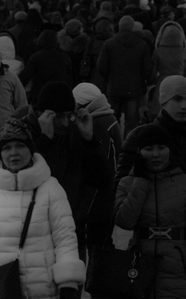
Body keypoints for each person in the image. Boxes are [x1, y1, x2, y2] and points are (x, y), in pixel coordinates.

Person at [0, 118, 85, 299]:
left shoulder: (51, 188)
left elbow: (65, 238)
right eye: (7, 147)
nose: (13, 153)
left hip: (44, 291)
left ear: (30, 149)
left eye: (20, 145)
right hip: (0, 290)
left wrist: (68, 284)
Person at [114, 124, 186, 299]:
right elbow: (124, 221)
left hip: (177, 270)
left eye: (161, 148)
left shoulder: (185, 183)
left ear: (170, 149)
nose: (156, 154)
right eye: (149, 149)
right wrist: (141, 181)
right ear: (139, 151)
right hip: (139, 267)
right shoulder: (128, 183)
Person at [116, 76, 186, 209]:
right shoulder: (139, 136)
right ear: (164, 101)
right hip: (151, 223)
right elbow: (121, 185)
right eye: (177, 99)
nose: (184, 106)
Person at [72, 82, 121, 251]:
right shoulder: (109, 118)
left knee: (97, 250)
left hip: (99, 200)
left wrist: (85, 208)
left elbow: (100, 167)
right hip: (109, 196)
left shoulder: (97, 124)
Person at [97, 15, 152, 138]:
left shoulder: (109, 43)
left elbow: (101, 66)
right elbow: (147, 68)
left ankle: (114, 144)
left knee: (113, 119)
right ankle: (129, 147)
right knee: (131, 121)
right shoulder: (141, 45)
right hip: (133, 88)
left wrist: (108, 78)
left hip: (114, 87)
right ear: (132, 27)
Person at [19, 30, 73, 106]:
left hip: (40, 95)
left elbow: (25, 76)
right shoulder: (64, 57)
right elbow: (70, 78)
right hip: (60, 95)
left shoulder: (35, 58)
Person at [149, 21, 186, 119]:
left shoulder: (158, 51)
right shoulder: (184, 52)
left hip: (162, 84)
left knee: (160, 113)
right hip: (179, 84)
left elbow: (153, 73)